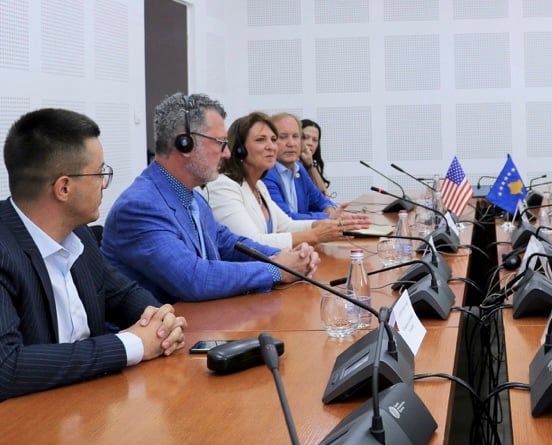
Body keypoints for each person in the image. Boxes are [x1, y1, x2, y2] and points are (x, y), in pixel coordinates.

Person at [0, 108, 187, 401]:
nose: (104, 183)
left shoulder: (80, 236)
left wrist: (161, 324)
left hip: (92, 412)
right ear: (64, 187)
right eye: (100, 172)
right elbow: (7, 367)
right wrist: (132, 344)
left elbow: (124, 295)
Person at [101, 93, 320, 304]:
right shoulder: (140, 206)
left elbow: (230, 244)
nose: (227, 154)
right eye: (220, 143)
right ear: (184, 144)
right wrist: (277, 270)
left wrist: (290, 257)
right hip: (166, 336)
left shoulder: (194, 197)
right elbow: (194, 278)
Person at [203, 112, 367, 248]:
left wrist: (327, 225)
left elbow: (286, 225)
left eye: (273, 139)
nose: (271, 146)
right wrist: (316, 235)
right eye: (261, 140)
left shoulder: (258, 186)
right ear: (239, 149)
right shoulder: (222, 186)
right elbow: (252, 244)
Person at [263, 113, 362, 221]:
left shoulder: (299, 169)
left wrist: (331, 211)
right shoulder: (266, 173)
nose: (291, 143)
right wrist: (328, 216)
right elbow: (285, 218)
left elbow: (320, 200)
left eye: (295, 137)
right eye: (283, 137)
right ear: (271, 141)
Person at [300, 118, 330, 195]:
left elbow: (324, 195)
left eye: (315, 140)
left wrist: (310, 164)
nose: (310, 143)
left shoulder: (312, 164)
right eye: (305, 138)